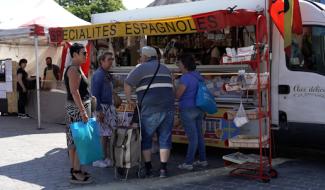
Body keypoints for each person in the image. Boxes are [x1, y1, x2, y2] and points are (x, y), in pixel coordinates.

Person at [124, 46, 175, 178]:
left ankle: (148, 168)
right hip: (168, 107)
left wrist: (129, 100)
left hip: (149, 108)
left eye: (141, 55)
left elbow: (127, 83)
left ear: (145, 57)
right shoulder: (165, 68)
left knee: (146, 138)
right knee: (165, 138)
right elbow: (172, 88)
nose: (140, 57)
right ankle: (163, 169)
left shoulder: (140, 68)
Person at [64, 43, 92, 184]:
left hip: (75, 109)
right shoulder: (74, 69)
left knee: (75, 141)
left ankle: (76, 170)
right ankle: (75, 172)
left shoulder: (76, 68)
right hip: (76, 110)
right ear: (74, 54)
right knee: (80, 141)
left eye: (86, 53)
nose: (86, 55)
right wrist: (83, 112)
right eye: (83, 53)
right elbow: (74, 92)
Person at [175, 54, 208, 170]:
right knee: (199, 136)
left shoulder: (185, 78)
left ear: (184, 65)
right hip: (199, 108)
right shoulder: (198, 76)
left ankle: (188, 162)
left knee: (192, 138)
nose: (178, 65)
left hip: (187, 109)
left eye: (179, 63)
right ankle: (203, 160)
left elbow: (178, 95)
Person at [91, 51, 117, 168]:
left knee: (107, 134)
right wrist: (99, 110)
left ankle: (105, 157)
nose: (111, 61)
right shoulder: (99, 75)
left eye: (112, 59)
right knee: (102, 134)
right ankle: (99, 159)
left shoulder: (107, 74)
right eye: (109, 59)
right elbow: (95, 94)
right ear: (102, 61)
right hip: (102, 107)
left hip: (108, 106)